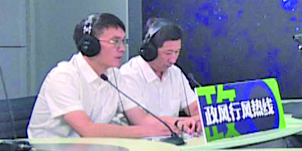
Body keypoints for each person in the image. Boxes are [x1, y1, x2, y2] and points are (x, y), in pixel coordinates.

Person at [28, 13, 167, 139]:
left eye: (123, 41)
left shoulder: (114, 75)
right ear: (89, 45)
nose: (122, 49)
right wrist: (147, 131)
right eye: (114, 41)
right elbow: (88, 130)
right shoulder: (63, 76)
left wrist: (175, 125)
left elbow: (141, 119)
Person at [119, 18, 203, 137]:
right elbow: (141, 120)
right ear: (150, 51)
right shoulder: (129, 74)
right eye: (168, 53)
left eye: (177, 52)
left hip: (172, 142)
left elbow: (194, 109)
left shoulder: (175, 73)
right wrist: (180, 122)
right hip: (139, 144)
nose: (173, 60)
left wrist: (199, 120)